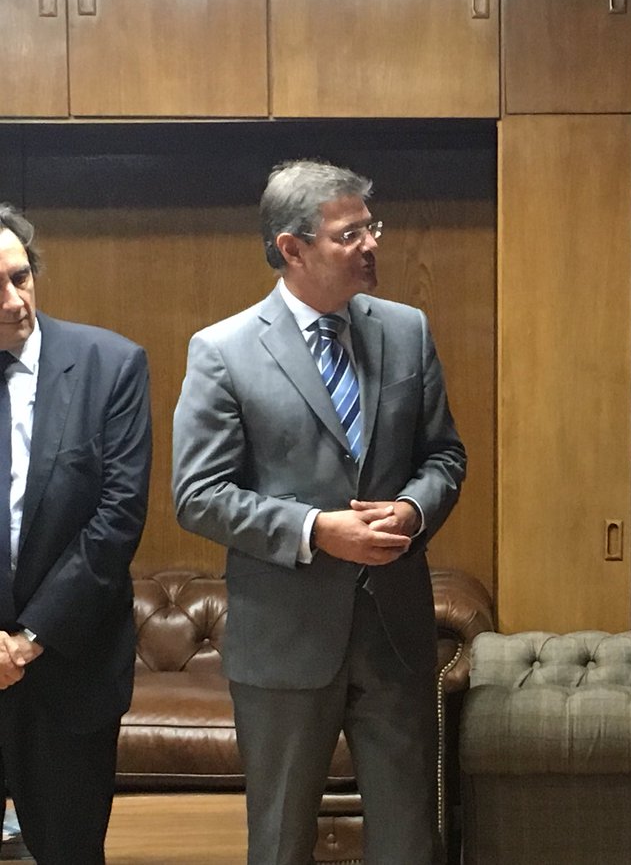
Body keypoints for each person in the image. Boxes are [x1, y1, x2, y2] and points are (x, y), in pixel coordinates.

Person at [172, 160, 466, 864]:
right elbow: (198, 494)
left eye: (372, 227)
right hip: (284, 638)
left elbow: (444, 458)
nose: (370, 244)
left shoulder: (407, 330)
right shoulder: (224, 351)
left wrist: (412, 510)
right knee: (279, 841)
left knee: (409, 841)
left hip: (394, 633)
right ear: (291, 247)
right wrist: (314, 530)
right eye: (349, 233)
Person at [0, 204, 152, 863]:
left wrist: (27, 641)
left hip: (70, 670)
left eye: (20, 276)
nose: (13, 301)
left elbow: (116, 517)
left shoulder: (108, 364)